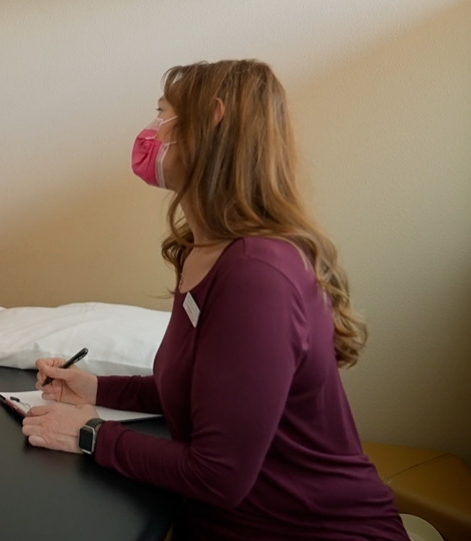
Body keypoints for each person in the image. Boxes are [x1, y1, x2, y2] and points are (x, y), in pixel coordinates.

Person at [21, 60, 408, 540]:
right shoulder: (204, 251)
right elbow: (202, 390)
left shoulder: (256, 274)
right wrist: (95, 388)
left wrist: (89, 434)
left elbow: (219, 474)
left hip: (314, 530)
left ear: (212, 120)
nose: (150, 132)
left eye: (161, 115)